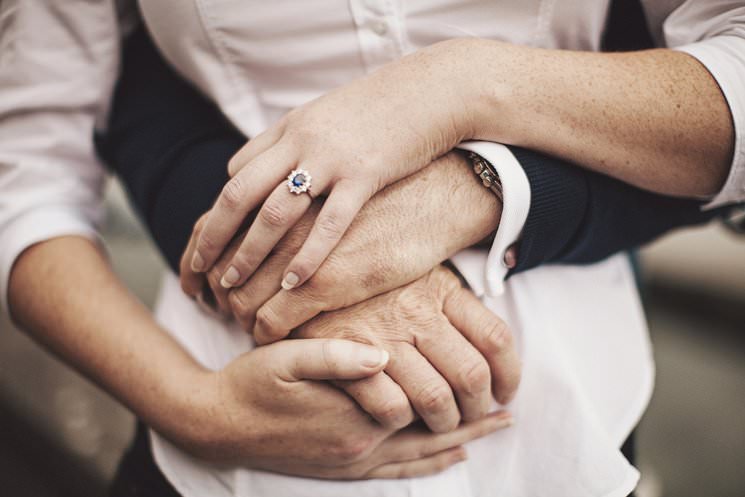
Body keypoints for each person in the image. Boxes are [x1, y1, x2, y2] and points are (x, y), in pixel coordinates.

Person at [2, 2, 744, 497]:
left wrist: (468, 89)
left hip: (568, 415)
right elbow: (25, 174)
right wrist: (195, 409)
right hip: (225, 445)